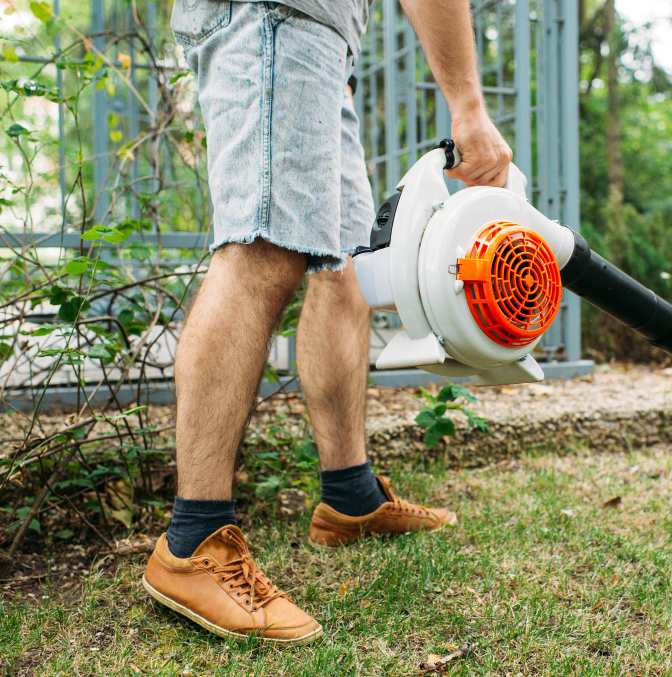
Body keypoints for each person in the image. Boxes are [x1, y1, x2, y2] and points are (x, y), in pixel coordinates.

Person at [141, 0, 513, 645]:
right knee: (262, 249)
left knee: (342, 267)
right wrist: (468, 106)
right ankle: (193, 540)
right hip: (276, 15)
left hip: (314, 33)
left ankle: (350, 498)